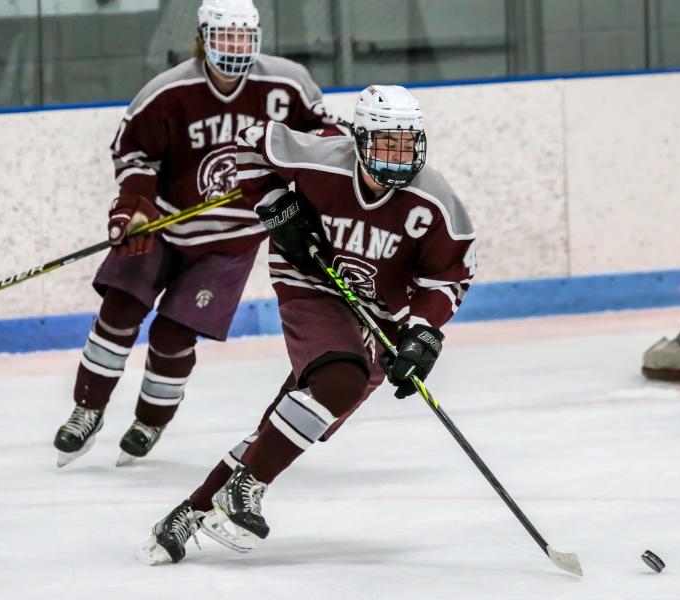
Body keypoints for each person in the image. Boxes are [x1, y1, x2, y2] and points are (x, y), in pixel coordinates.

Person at [138, 84, 477, 564]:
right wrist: (275, 202)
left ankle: (190, 512)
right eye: (385, 142)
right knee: (339, 381)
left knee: (294, 419)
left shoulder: (434, 201)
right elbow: (250, 142)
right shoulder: (319, 157)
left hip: (379, 316)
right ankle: (247, 490)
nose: (397, 155)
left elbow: (449, 275)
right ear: (359, 139)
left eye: (406, 143)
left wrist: (423, 333)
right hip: (310, 283)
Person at [52, 0, 346, 468]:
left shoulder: (286, 84)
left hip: (230, 245)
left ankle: (150, 420)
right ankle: (87, 409)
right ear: (203, 38)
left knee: (173, 336)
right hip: (165, 226)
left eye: (243, 38)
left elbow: (317, 139)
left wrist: (334, 146)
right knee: (119, 312)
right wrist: (134, 206)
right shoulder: (168, 92)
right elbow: (133, 155)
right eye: (225, 37)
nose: (234, 48)